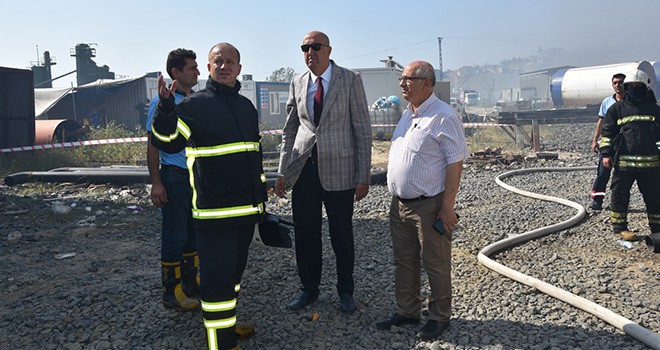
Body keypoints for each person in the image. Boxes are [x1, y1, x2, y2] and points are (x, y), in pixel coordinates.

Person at [151, 42, 266, 350]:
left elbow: (253, 157)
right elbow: (168, 141)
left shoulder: (246, 107)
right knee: (216, 288)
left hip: (245, 215)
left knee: (232, 281)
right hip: (214, 217)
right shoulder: (194, 106)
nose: (225, 66)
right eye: (219, 61)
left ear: (239, 69)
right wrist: (165, 108)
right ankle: (221, 344)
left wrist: (261, 205)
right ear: (209, 67)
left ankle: (227, 330)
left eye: (231, 62)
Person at [274, 31, 372, 314]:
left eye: (315, 47)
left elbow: (362, 130)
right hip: (304, 169)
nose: (310, 52)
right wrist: (283, 171)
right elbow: (290, 129)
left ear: (329, 50)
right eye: (305, 48)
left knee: (341, 234)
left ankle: (345, 291)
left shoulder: (350, 80)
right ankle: (309, 288)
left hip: (341, 169)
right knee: (306, 233)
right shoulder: (297, 82)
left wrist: (362, 175)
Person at [376, 61, 468, 341]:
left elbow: (455, 162)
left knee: (435, 263)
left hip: (429, 204)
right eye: (402, 79)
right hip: (400, 204)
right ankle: (408, 311)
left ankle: (440, 317)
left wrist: (447, 206)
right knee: (404, 260)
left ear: (427, 83)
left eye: (409, 79)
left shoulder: (443, 116)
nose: (403, 84)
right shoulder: (408, 114)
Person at [146, 48, 200, 313]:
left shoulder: (195, 100)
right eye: (192, 68)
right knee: (175, 234)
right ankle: (171, 291)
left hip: (195, 177)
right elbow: (153, 145)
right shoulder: (162, 103)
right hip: (175, 176)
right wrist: (156, 182)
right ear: (175, 73)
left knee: (193, 233)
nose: (198, 72)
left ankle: (191, 284)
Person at [600, 69, 660, 242]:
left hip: (650, 165)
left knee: (654, 197)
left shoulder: (654, 110)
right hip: (624, 164)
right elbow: (607, 133)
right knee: (619, 194)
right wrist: (606, 154)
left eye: (637, 85)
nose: (634, 88)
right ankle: (620, 228)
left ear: (645, 87)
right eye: (630, 86)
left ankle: (657, 229)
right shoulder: (616, 109)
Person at [589, 73, 626, 210]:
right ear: (612, 85)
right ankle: (597, 200)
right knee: (603, 172)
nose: (618, 85)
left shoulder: (630, 101)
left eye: (620, 82)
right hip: (609, 143)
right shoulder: (607, 102)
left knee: (623, 175)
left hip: (626, 144)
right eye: (615, 83)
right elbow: (601, 121)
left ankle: (619, 203)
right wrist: (595, 140)